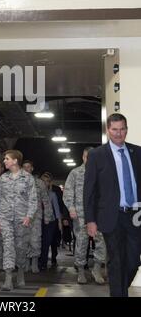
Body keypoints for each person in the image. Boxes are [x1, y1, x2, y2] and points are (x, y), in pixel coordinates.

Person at [84, 113, 141, 297]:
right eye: (114, 129)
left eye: (122, 129)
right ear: (108, 130)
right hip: (111, 216)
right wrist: (90, 220)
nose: (119, 133)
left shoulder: (138, 152)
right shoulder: (97, 155)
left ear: (127, 129)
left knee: (133, 261)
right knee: (116, 260)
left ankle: (119, 290)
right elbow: (89, 190)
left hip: (135, 215)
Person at [0, 150, 37, 291]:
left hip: (21, 219)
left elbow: (33, 200)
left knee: (20, 247)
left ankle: (20, 272)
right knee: (7, 246)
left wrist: (29, 216)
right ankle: (7, 278)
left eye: (7, 159)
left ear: (15, 161)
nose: (4, 161)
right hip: (5, 218)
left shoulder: (28, 178)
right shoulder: (3, 178)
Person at [63, 147, 106, 285]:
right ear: (83, 157)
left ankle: (97, 268)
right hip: (80, 214)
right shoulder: (75, 173)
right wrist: (71, 208)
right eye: (88, 157)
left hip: (98, 214)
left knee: (102, 241)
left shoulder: (101, 172)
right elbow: (68, 192)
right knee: (81, 242)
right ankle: (81, 270)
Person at [22, 160, 52, 273]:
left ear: (32, 168)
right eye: (24, 167)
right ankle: (25, 263)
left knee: (35, 240)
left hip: (36, 217)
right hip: (22, 217)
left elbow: (46, 201)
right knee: (23, 240)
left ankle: (34, 263)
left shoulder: (39, 183)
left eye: (28, 167)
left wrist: (47, 216)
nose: (26, 169)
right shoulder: (18, 182)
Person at [39, 172, 62, 270]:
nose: (45, 183)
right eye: (43, 181)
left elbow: (56, 209)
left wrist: (60, 222)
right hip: (38, 221)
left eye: (47, 181)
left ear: (49, 183)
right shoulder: (36, 194)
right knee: (38, 242)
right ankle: (37, 261)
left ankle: (43, 263)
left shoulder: (52, 194)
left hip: (51, 222)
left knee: (46, 242)